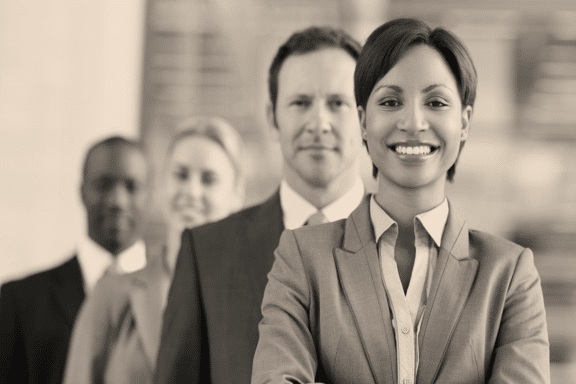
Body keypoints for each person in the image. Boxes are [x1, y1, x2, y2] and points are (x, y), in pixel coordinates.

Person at [252, 18, 550, 384]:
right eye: (391, 102)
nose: (413, 121)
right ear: (363, 121)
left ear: (465, 122)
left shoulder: (509, 276)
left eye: (436, 102)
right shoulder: (302, 258)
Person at [154, 26, 366, 384]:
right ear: (271, 117)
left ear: (364, 117)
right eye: (300, 103)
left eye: (337, 103)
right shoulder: (206, 252)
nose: (318, 123)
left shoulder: (408, 248)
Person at [63, 117, 245, 384]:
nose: (191, 191)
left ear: (237, 196)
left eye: (208, 179)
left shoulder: (262, 300)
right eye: (180, 175)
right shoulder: (110, 296)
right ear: (162, 186)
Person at [0, 136, 149, 384]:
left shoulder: (178, 296)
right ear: (82, 192)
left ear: (150, 195)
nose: (118, 201)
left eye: (132, 186)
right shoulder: (19, 301)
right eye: (103, 185)